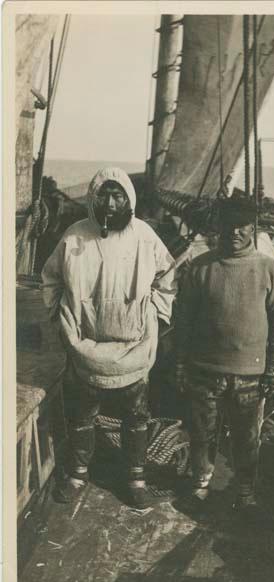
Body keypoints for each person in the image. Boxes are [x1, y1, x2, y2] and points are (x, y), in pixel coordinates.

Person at [41, 167, 176, 509]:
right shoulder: (74, 237)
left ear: (129, 199)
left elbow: (167, 276)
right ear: (94, 198)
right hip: (84, 345)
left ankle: (135, 476)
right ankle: (78, 473)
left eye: (119, 196)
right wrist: (60, 317)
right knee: (82, 414)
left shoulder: (145, 236)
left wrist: (157, 314)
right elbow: (51, 280)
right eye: (105, 195)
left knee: (136, 416)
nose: (112, 203)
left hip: (134, 346)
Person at [175, 198, 274, 510]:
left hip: (251, 377)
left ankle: (245, 492)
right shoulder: (200, 267)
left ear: (253, 229)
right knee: (202, 433)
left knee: (247, 439)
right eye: (229, 226)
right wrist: (180, 363)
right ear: (219, 228)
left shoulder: (269, 269)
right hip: (203, 372)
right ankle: (200, 482)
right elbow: (183, 321)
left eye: (242, 227)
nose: (236, 232)